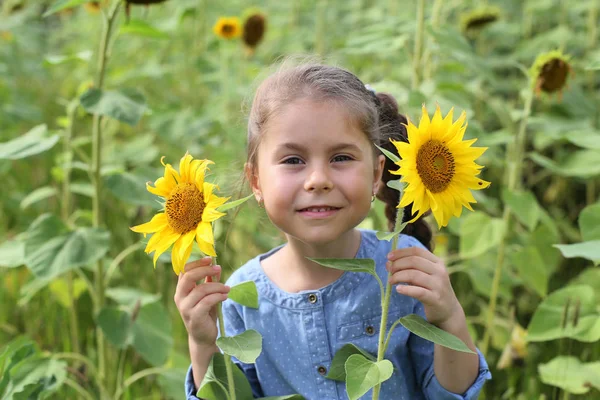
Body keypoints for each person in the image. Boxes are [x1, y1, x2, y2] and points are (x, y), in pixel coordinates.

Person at [175, 62, 492, 399]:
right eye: (293, 160)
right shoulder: (241, 297)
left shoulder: (403, 271)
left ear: (375, 172)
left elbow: (451, 393)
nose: (318, 181)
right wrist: (203, 343)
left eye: (340, 157)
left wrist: (449, 318)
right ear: (256, 180)